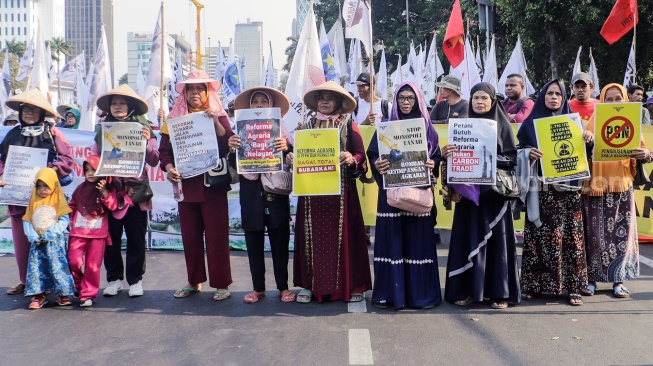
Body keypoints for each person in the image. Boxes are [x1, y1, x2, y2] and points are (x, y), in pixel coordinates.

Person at [287, 80, 372, 303]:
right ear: (316, 102)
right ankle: (308, 284)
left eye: (329, 98)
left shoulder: (348, 125)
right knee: (310, 237)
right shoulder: (305, 126)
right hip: (311, 195)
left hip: (341, 194)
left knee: (346, 238)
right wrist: (291, 157)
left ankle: (352, 284)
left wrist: (351, 158)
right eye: (321, 97)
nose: (325, 101)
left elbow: (361, 156)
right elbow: (298, 158)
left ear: (339, 102)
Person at [442, 82, 520, 309]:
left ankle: (499, 292)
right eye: (475, 97)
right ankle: (467, 291)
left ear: (493, 100)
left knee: (497, 244)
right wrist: (448, 153)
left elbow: (511, 160)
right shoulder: (462, 127)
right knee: (467, 240)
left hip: (495, 197)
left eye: (484, 98)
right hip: (469, 197)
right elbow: (452, 162)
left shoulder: (503, 127)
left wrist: (487, 157)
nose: (479, 102)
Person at [159, 70, 235, 301]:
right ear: (184, 94)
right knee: (190, 237)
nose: (194, 93)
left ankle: (221, 284)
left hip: (213, 186)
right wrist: (169, 168)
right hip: (186, 187)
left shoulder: (218, 115)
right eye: (190, 89)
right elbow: (164, 152)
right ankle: (194, 281)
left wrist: (213, 120)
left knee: (216, 237)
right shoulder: (173, 119)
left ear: (207, 92)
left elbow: (227, 144)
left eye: (199, 89)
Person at [516, 80, 591, 306]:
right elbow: (517, 153)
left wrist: (588, 139)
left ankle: (574, 287)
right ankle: (534, 285)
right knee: (540, 237)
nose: (554, 97)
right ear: (542, 97)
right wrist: (528, 153)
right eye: (549, 93)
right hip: (541, 191)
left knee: (571, 238)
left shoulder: (575, 125)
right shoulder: (529, 125)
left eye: (558, 94)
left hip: (568, 192)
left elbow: (584, 154)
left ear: (563, 97)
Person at [367, 82, 441, 310]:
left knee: (417, 242)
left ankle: (420, 295)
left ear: (418, 100)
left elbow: (436, 158)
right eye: (402, 98)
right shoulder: (387, 128)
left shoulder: (428, 129)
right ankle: (391, 294)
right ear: (395, 101)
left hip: (417, 197)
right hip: (392, 197)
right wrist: (377, 164)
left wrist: (432, 164)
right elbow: (372, 155)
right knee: (393, 242)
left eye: (410, 98)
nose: (406, 102)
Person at [0, 90, 75, 296]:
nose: (30, 113)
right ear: (20, 112)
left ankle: (55, 284)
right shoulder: (13, 133)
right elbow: (1, 159)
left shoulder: (52, 133)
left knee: (51, 242)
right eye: (26, 109)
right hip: (19, 199)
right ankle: (26, 282)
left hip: (47, 199)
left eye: (34, 109)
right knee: (23, 242)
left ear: (42, 112)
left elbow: (67, 159)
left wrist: (52, 171)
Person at [581, 83, 651, 298]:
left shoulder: (630, 122)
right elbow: (579, 155)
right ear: (601, 101)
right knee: (593, 236)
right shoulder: (591, 124)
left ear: (625, 100)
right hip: (595, 186)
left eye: (617, 99)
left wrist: (646, 154)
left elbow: (645, 151)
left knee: (622, 235)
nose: (613, 103)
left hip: (622, 186)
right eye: (608, 99)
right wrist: (587, 142)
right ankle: (591, 280)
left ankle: (618, 281)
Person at [227, 86, 295, 304]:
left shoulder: (283, 132)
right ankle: (258, 288)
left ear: (271, 106)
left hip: (276, 195)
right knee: (253, 243)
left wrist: (286, 149)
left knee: (280, 242)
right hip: (251, 194)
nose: (258, 106)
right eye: (254, 102)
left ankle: (283, 287)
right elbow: (232, 165)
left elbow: (293, 158)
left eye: (263, 102)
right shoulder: (239, 132)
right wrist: (232, 149)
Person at [94, 84, 159, 298]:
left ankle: (135, 280)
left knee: (136, 237)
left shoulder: (144, 127)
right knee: (110, 237)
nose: (118, 107)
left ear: (130, 106)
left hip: (135, 194)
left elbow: (154, 159)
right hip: (110, 192)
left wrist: (147, 140)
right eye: (114, 103)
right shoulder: (103, 129)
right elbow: (95, 157)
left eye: (122, 103)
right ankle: (113, 279)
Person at [68, 155, 130, 307]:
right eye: (87, 170)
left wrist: (104, 192)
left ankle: (88, 294)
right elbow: (73, 205)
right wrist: (69, 219)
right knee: (73, 261)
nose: (90, 173)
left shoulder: (107, 189)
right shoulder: (80, 189)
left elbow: (113, 206)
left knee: (93, 265)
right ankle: (79, 285)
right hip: (78, 232)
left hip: (98, 235)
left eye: (94, 170)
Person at [22, 168, 75, 309]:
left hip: (55, 242)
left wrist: (50, 233)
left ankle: (62, 293)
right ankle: (39, 294)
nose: (42, 190)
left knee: (58, 266)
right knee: (37, 267)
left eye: (46, 186)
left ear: (53, 185)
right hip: (38, 243)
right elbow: (28, 219)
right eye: (38, 186)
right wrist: (33, 236)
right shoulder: (33, 200)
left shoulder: (58, 199)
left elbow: (64, 220)